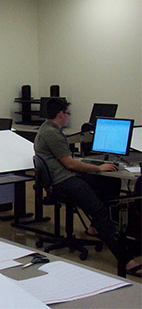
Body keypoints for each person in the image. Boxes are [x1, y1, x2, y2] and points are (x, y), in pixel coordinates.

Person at [34, 98, 141, 277]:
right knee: (99, 210)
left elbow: (69, 161)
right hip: (64, 181)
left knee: (111, 183)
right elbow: (70, 164)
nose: (68, 117)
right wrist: (98, 167)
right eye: (67, 113)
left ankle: (95, 228)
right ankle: (127, 260)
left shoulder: (47, 128)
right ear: (60, 113)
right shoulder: (52, 133)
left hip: (61, 177)